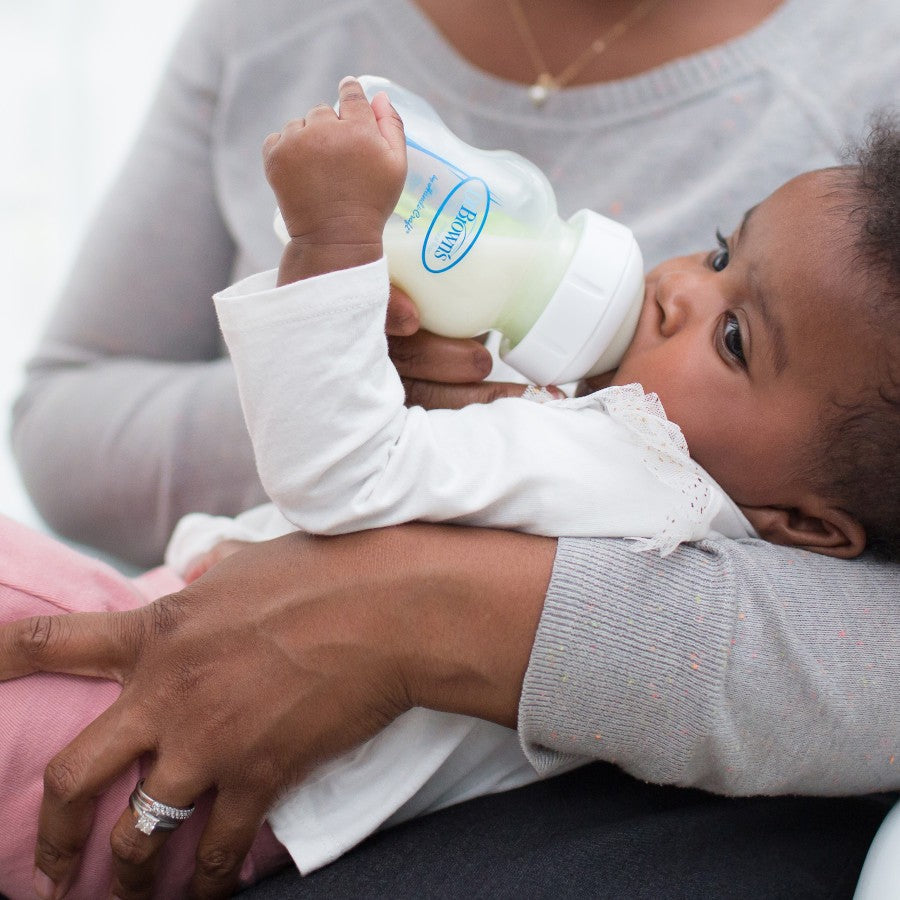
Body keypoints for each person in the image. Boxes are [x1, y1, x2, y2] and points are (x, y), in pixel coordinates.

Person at [5, 0, 898, 896]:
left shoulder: (626, 467)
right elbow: (68, 410)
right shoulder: (661, 497)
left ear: (811, 526)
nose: (673, 292)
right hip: (197, 755)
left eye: (736, 339)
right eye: (715, 255)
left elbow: (338, 475)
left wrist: (335, 253)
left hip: (149, 743)